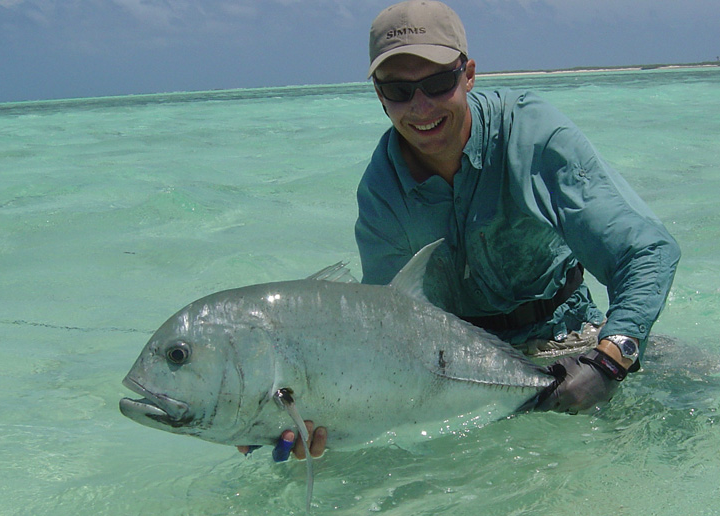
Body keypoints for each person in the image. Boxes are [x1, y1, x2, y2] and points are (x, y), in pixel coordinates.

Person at [249, 0, 680, 461]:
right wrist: (296, 410)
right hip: (455, 371)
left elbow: (647, 250)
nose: (420, 107)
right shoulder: (380, 193)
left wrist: (610, 359)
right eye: (398, 89)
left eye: (437, 83)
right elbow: (384, 332)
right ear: (379, 94)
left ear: (468, 74)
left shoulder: (532, 135)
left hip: (575, 342)